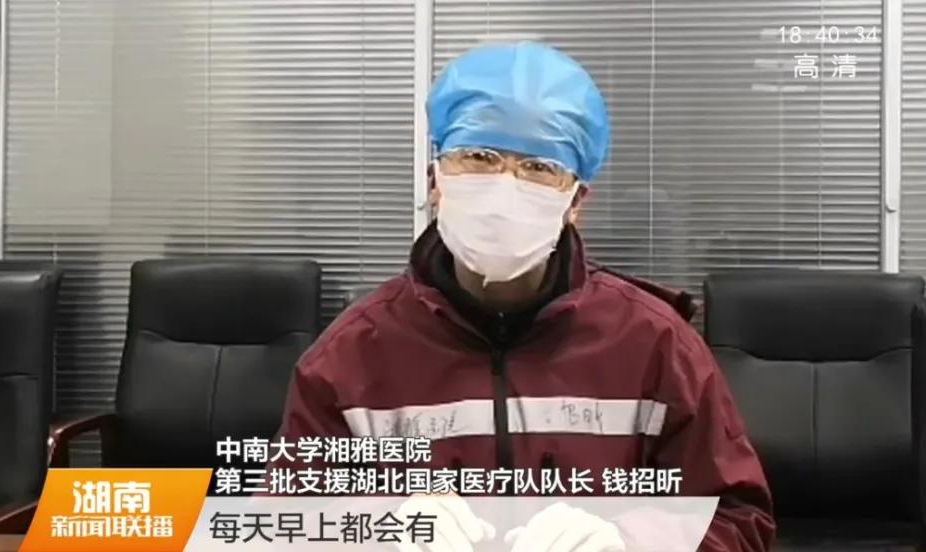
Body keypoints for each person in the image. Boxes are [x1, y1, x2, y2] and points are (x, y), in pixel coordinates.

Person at [266, 42, 775, 551]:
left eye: (538, 167)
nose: (503, 190)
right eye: (479, 157)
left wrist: (629, 542)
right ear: (435, 179)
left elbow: (739, 520)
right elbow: (283, 526)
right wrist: (381, 528)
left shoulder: (654, 344)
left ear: (575, 201)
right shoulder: (349, 357)